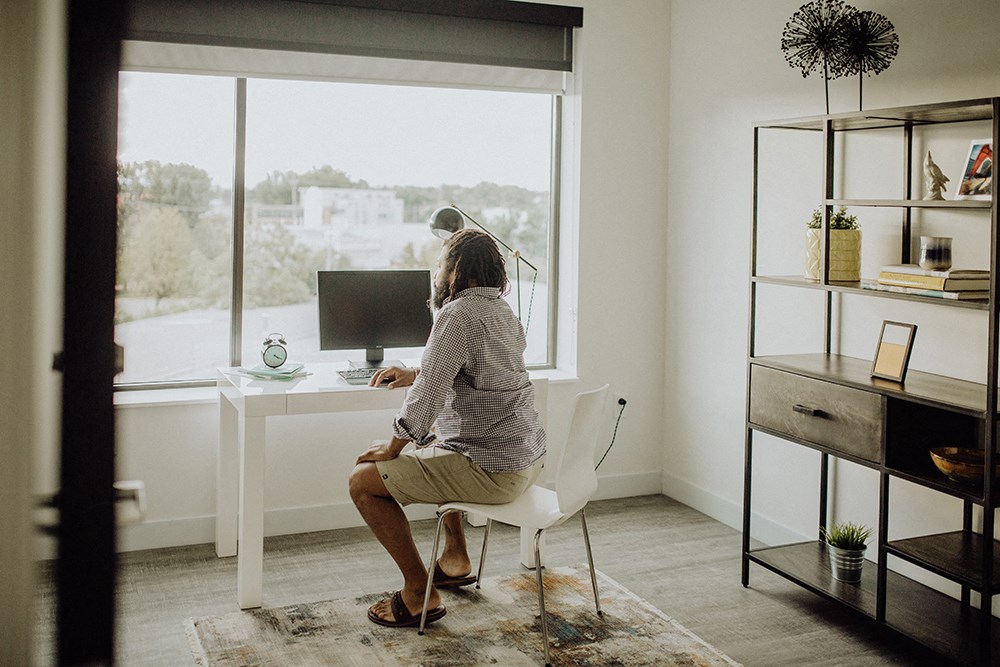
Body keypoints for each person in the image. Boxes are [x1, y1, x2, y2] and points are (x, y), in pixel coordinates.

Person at [348, 228, 546, 628]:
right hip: (527, 461)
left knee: (362, 481)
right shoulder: (502, 312)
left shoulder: (457, 314)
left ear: (459, 270)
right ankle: (455, 559)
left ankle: (419, 592)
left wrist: (391, 449)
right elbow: (478, 373)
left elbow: (426, 400)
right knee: (439, 440)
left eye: (441, 264)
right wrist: (418, 373)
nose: (437, 273)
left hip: (492, 472)